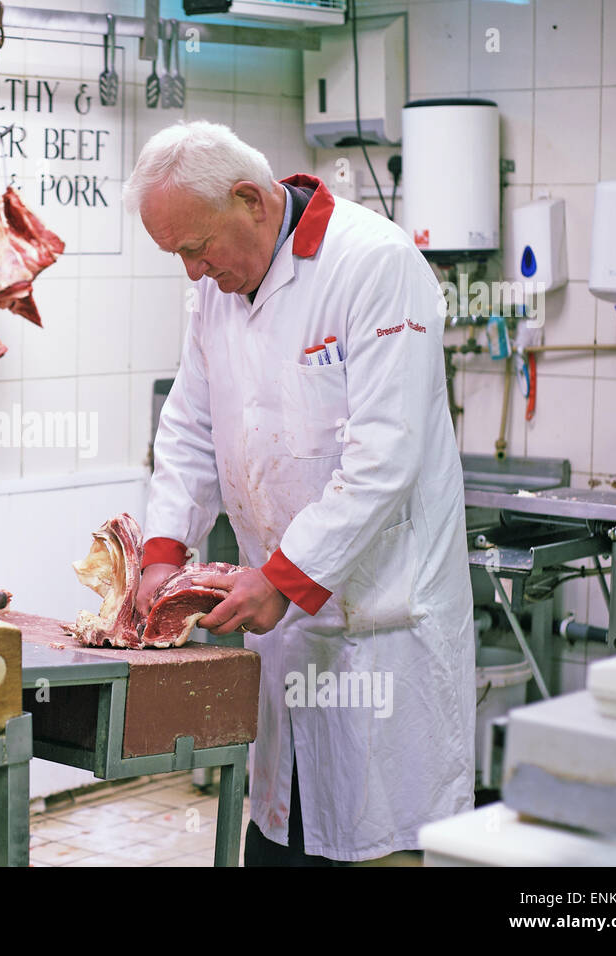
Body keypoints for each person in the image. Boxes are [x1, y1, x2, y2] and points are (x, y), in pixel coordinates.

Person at [124, 121, 474, 865]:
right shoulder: (218, 292)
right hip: (288, 633)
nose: (192, 272)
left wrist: (284, 577)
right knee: (284, 838)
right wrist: (162, 553)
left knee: (378, 848)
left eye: (195, 248)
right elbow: (188, 425)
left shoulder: (374, 263)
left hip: (384, 630)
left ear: (250, 199)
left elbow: (386, 456)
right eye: (178, 255)